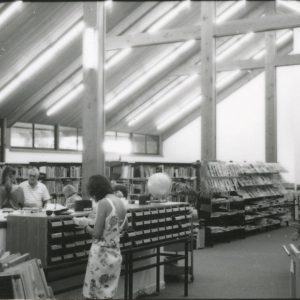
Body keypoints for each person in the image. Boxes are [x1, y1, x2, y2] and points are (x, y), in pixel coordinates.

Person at [74, 175, 127, 299]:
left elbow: (97, 234)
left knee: (94, 294)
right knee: (108, 293)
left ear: (95, 190)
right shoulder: (120, 201)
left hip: (101, 255)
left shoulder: (103, 203)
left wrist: (84, 225)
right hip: (115, 253)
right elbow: (125, 226)